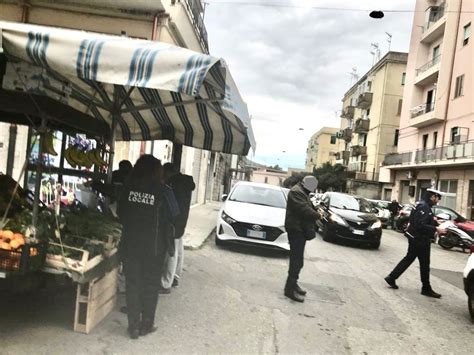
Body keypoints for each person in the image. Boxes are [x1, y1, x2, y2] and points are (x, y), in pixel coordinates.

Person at [117, 155, 178, 339]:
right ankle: (147, 323)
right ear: (156, 170)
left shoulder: (128, 188)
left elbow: (120, 212)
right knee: (150, 285)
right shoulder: (164, 190)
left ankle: (133, 326)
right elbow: (175, 213)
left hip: (131, 244)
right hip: (155, 247)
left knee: (133, 283)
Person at [384, 188, 447, 298]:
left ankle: (392, 277)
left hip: (415, 238)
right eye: (438, 198)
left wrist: (435, 221)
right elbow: (420, 225)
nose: (438, 201)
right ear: (432, 196)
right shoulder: (424, 207)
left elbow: (420, 220)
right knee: (424, 264)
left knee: (409, 259)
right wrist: (436, 229)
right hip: (420, 240)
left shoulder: (421, 204)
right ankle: (426, 288)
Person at [284, 175, 322, 302]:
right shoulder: (296, 192)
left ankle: (293, 284)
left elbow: (309, 206)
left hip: (300, 229)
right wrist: (318, 215)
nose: (313, 190)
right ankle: (289, 289)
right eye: (312, 187)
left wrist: (317, 210)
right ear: (305, 184)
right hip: (296, 229)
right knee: (296, 260)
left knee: (298, 260)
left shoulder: (302, 192)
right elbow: (304, 210)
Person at [160, 163, 196, 293]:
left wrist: (170, 221)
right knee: (178, 249)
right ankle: (175, 276)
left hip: (174, 221)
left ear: (168, 172)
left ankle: (165, 284)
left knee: (171, 252)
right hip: (182, 220)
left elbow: (171, 204)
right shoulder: (186, 182)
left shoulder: (173, 184)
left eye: (163, 172)